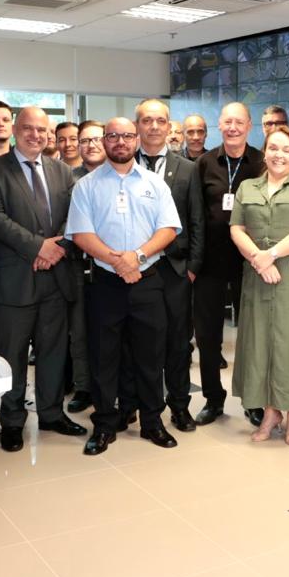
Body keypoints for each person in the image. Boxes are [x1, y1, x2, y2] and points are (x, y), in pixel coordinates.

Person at [67, 116, 182, 456]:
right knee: (104, 356)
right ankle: (103, 424)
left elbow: (169, 228)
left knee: (150, 355)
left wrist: (137, 255)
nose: (120, 141)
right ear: (104, 141)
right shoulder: (86, 186)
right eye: (113, 136)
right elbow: (80, 233)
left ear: (136, 140)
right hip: (105, 282)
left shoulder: (155, 184)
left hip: (148, 281)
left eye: (126, 136)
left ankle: (152, 422)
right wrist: (118, 261)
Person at [0, 106, 86, 452]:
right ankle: (12, 420)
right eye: (28, 128)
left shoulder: (62, 171)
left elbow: (75, 216)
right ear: (15, 130)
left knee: (53, 352)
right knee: (12, 355)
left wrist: (57, 248)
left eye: (42, 130)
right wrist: (38, 247)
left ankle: (52, 413)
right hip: (13, 281)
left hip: (56, 277)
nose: (35, 135)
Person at [229, 126, 289, 445]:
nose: (279, 154)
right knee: (261, 345)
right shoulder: (247, 187)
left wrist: (270, 255)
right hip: (258, 277)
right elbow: (236, 229)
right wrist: (258, 259)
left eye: (286, 149)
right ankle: (271, 412)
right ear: (265, 151)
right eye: (273, 148)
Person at [128, 99, 205, 435]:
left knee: (177, 343)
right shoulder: (122, 164)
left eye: (161, 120)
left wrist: (192, 267)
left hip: (175, 269)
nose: (154, 127)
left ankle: (179, 406)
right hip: (135, 270)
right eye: (147, 120)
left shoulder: (187, 168)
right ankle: (142, 407)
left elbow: (197, 220)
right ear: (138, 126)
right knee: (140, 343)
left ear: (169, 125)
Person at [192, 102, 266, 426]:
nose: (233, 127)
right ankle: (213, 399)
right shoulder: (203, 164)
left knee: (251, 334)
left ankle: (252, 400)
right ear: (219, 126)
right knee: (208, 336)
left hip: (250, 262)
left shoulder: (263, 163)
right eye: (227, 122)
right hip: (210, 262)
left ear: (250, 126)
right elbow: (194, 214)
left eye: (239, 122)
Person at [65, 120, 106, 416]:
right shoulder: (67, 178)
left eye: (96, 139)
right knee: (79, 330)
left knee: (110, 331)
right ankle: (83, 387)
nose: (91, 145)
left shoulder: (118, 175)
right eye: (85, 141)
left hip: (111, 265)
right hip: (76, 265)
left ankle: (110, 387)